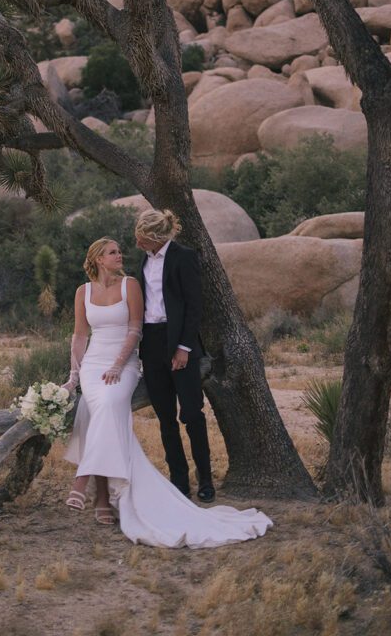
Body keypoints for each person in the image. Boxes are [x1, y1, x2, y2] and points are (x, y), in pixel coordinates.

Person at [63, 236, 273, 548]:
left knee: (107, 404)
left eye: (120, 251)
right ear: (97, 259)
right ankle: (102, 499)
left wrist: (120, 365)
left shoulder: (130, 285)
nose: (120, 255)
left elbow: (136, 329)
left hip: (124, 363)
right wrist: (73, 375)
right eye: (112, 252)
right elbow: (80, 336)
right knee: (102, 411)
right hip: (94, 365)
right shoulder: (83, 292)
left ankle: (84, 483)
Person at [135, 208, 213, 501]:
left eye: (141, 237)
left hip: (180, 342)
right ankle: (179, 481)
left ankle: (205, 480)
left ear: (155, 236)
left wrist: (184, 347)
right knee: (165, 417)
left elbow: (195, 307)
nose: (138, 242)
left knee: (192, 414)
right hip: (152, 344)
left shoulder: (184, 257)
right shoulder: (142, 260)